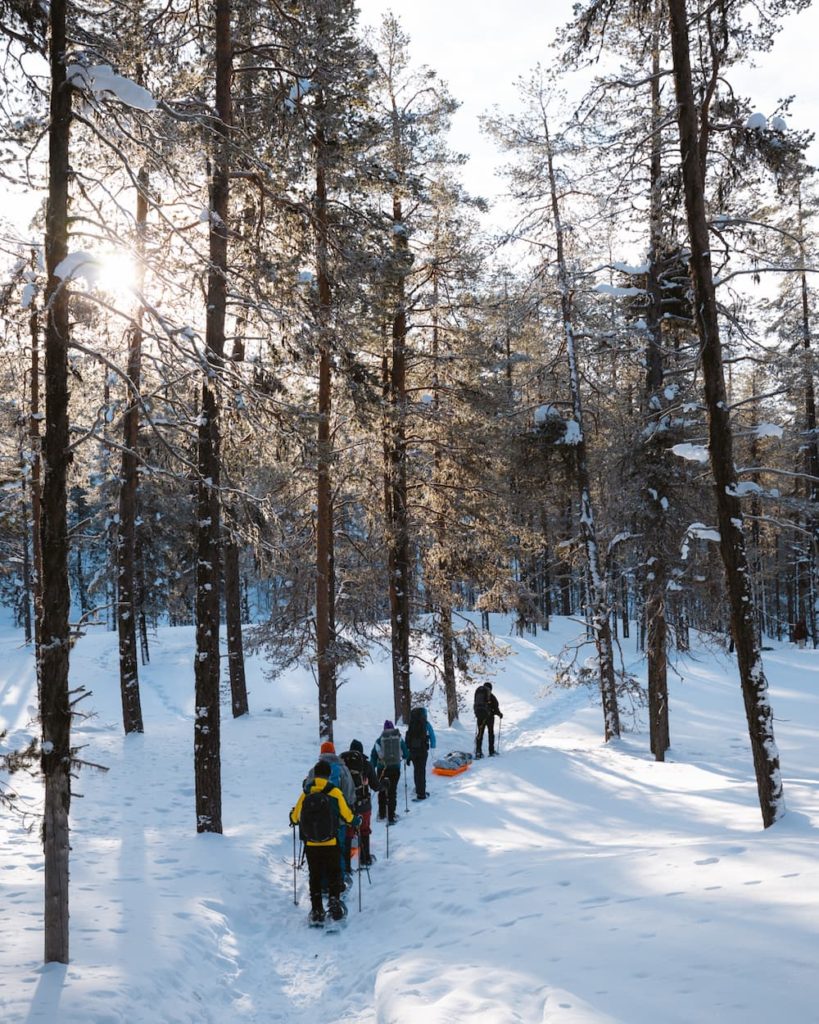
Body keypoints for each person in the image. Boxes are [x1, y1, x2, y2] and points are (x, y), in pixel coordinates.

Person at [290, 760, 359, 924]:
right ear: (329, 775)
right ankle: (334, 905)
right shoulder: (334, 792)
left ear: (314, 774)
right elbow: (347, 816)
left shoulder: (306, 793)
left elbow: (295, 817)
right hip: (331, 841)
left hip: (312, 844)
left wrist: (292, 816)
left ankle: (316, 911)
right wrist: (356, 821)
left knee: (314, 875)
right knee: (334, 873)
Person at [340, 739, 380, 868]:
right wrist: (384, 784)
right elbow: (375, 785)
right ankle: (365, 859)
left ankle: (346, 865)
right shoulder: (366, 764)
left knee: (348, 833)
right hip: (364, 804)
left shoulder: (342, 764)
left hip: (346, 805)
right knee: (364, 830)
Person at [370, 720, 409, 824]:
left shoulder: (379, 740)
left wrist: (371, 769)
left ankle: (382, 814)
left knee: (382, 791)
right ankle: (391, 816)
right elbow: (405, 753)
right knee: (392, 792)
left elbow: (373, 756)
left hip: (382, 769)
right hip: (395, 769)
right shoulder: (399, 739)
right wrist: (405, 757)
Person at [405, 706, 436, 800]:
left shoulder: (411, 724)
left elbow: (408, 737)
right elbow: (432, 735)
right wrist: (433, 745)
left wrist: (407, 751)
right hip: (422, 751)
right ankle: (421, 794)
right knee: (421, 771)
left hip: (413, 751)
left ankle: (418, 789)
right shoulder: (426, 724)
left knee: (416, 770)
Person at [474, 681, 503, 758]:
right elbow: (496, 708)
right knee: (490, 733)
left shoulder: (478, 694)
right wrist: (500, 714)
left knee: (480, 733)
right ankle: (491, 751)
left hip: (480, 716)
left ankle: (478, 752)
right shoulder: (492, 696)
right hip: (489, 717)